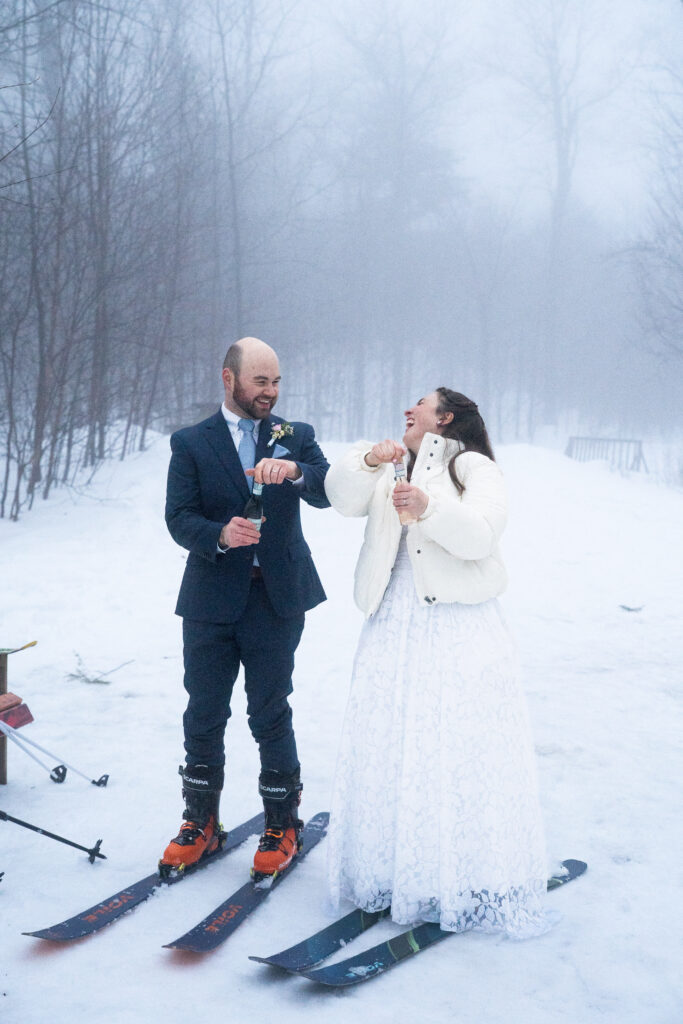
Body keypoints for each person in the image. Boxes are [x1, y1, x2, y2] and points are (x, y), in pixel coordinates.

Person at [324, 387, 550, 938]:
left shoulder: (473, 467)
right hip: (390, 625)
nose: (407, 410)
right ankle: (395, 874)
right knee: (391, 745)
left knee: (452, 745)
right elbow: (341, 497)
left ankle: (462, 875)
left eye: (420, 404)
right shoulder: (390, 463)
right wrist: (369, 462)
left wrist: (429, 507)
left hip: (455, 628)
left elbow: (480, 537)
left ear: (444, 418)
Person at [162, 337, 330, 877]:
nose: (271, 392)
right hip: (210, 600)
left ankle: (282, 823)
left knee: (269, 711)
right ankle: (200, 822)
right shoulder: (191, 442)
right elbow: (178, 517)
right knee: (204, 712)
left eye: (277, 381)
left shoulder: (294, 435)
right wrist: (218, 534)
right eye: (261, 380)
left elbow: (328, 489)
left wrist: (299, 473)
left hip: (276, 599)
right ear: (229, 379)